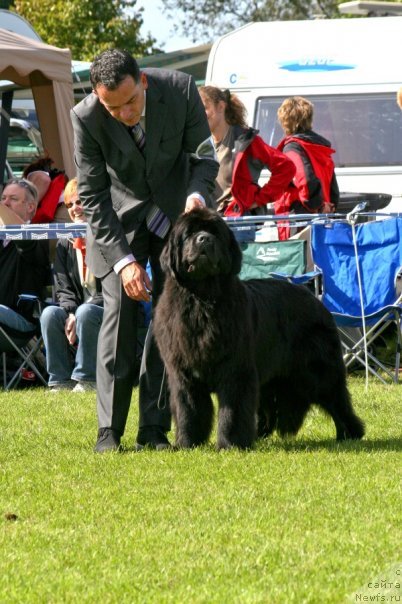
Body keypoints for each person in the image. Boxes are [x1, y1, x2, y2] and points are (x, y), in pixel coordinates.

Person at [70, 49, 218, 453]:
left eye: (130, 101)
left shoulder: (182, 89)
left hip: (175, 220)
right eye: (111, 107)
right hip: (118, 225)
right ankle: (108, 432)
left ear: (144, 83)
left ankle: (154, 429)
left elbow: (205, 159)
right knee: (118, 318)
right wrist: (123, 262)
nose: (124, 114)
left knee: (168, 324)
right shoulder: (84, 117)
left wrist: (196, 194)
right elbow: (93, 195)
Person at [40, 178, 104, 393]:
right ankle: (60, 381)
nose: (75, 208)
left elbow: (112, 289)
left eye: (80, 201)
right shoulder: (64, 241)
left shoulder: (108, 236)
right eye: (69, 205)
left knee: (86, 311)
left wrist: (78, 313)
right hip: (79, 310)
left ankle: (87, 379)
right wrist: (69, 312)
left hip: (111, 309)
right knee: (50, 313)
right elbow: (63, 286)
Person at [198, 86, 296, 216]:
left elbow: (286, 167)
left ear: (221, 107)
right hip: (210, 221)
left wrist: (257, 199)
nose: (198, 114)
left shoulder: (246, 140)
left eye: (204, 108)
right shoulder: (200, 143)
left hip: (239, 223)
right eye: (196, 109)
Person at [275, 96, 339, 238]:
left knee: (298, 258)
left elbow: (305, 179)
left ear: (286, 121)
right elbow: (332, 185)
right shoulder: (321, 148)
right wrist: (329, 207)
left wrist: (317, 205)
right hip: (324, 217)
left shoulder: (293, 148)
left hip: (300, 218)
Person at [0, 178, 50, 332]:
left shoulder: (38, 235)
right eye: (3, 198)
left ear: (30, 207)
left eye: (13, 199)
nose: (5, 203)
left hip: (21, 318)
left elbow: (23, 240)